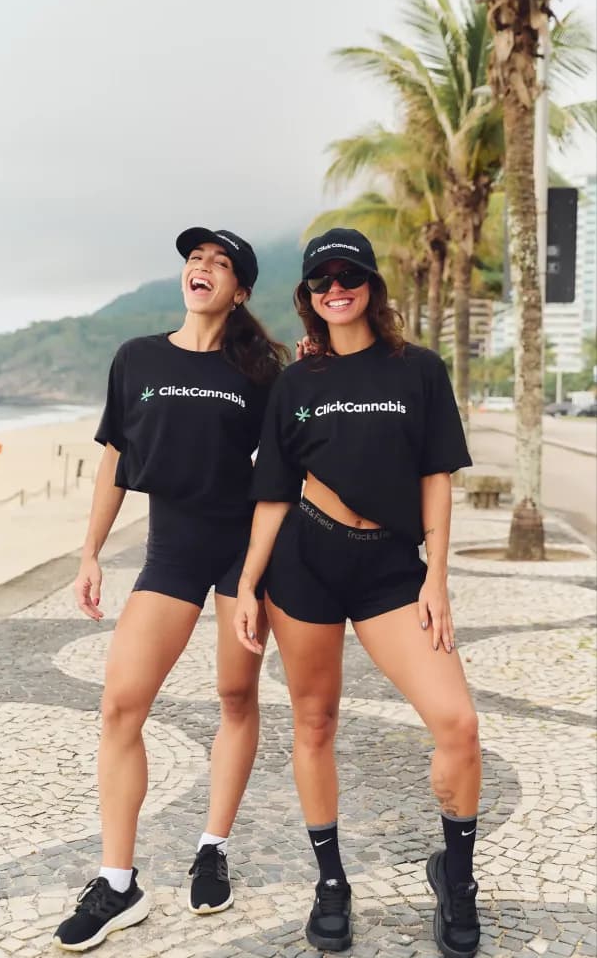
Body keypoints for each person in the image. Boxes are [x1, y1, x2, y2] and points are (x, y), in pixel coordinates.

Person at [234, 228, 480, 957]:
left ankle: (456, 878)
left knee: (457, 723)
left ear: (371, 284)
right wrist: (249, 584)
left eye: (349, 276)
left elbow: (437, 473)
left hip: (392, 570)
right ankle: (331, 883)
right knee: (313, 724)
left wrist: (437, 574)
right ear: (308, 298)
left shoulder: (420, 372)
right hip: (304, 560)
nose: (335, 288)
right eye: (321, 281)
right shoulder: (296, 384)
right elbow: (274, 493)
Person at [53, 227, 289, 953]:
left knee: (235, 696)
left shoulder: (259, 370)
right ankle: (118, 882)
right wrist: (90, 553)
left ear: (240, 289)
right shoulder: (138, 359)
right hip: (173, 547)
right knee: (122, 701)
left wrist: (255, 576)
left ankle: (212, 846)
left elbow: (282, 469)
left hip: (244, 549)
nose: (204, 269)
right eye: (196, 259)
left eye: (221, 264)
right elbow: (117, 461)